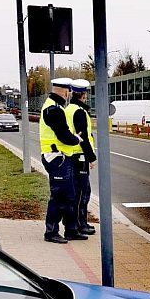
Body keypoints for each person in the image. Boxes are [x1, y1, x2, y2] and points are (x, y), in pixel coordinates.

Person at [39, 78, 86, 244]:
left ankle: (71, 230)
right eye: (69, 92)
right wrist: (76, 139)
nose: (70, 95)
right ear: (65, 92)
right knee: (58, 197)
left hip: (62, 158)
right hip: (56, 158)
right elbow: (63, 135)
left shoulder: (56, 107)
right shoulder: (53, 109)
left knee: (70, 196)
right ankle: (51, 232)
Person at [65, 79, 97, 237]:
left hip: (73, 155)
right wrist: (91, 157)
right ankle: (79, 225)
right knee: (82, 192)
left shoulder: (69, 108)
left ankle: (77, 224)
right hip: (80, 156)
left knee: (78, 191)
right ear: (84, 95)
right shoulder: (79, 111)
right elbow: (82, 136)